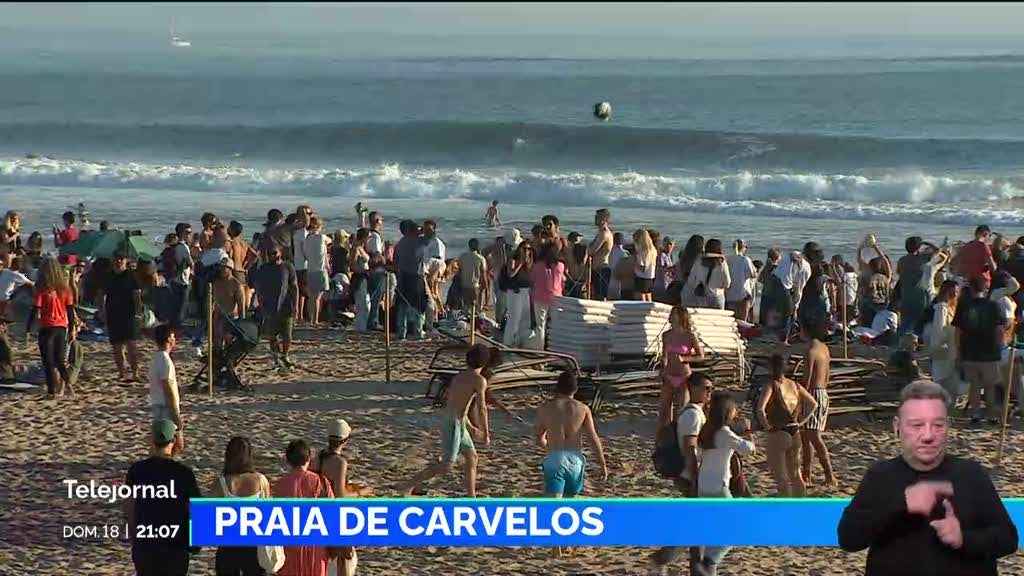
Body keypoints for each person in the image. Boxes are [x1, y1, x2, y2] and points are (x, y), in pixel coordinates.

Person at [837, 380, 1017, 575]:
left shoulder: (971, 474)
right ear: (897, 427)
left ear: (948, 426)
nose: (928, 435)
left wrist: (964, 539)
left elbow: (1008, 539)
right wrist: (900, 505)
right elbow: (849, 539)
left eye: (937, 425)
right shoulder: (880, 476)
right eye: (916, 425)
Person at [402, 344, 492, 497]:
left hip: (456, 421)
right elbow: (481, 408)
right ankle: (407, 485)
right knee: (446, 465)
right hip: (454, 424)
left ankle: (472, 496)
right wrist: (486, 432)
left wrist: (469, 427)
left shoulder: (459, 376)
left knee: (472, 457)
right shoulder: (479, 380)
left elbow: (457, 404)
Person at [535, 371, 608, 557]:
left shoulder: (546, 408)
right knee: (570, 503)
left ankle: (555, 547)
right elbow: (593, 438)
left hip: (555, 458)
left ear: (557, 387)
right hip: (575, 459)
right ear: (575, 389)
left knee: (554, 503)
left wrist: (546, 443)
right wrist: (602, 463)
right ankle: (566, 541)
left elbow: (539, 436)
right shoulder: (583, 409)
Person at [648, 373, 713, 575]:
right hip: (690, 474)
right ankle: (664, 557)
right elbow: (689, 446)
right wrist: (695, 473)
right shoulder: (693, 414)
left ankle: (692, 564)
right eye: (706, 388)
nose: (710, 392)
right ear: (692, 388)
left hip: (691, 474)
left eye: (711, 388)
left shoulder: (695, 412)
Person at [124, 419, 202, 576]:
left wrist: (135, 540)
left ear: (151, 440)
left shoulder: (137, 470)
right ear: (173, 441)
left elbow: (130, 509)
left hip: (146, 544)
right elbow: (195, 510)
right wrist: (194, 544)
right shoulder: (184, 474)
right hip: (175, 546)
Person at [695, 391, 756, 574]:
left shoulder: (708, 429)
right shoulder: (723, 432)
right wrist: (747, 430)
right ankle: (710, 560)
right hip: (719, 486)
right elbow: (748, 449)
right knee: (737, 528)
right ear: (727, 411)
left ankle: (709, 563)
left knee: (716, 530)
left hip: (704, 485)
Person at [756, 353, 818, 497]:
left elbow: (760, 409)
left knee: (781, 477)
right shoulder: (795, 385)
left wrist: (766, 426)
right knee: (796, 474)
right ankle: (800, 505)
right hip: (794, 430)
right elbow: (813, 404)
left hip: (779, 430)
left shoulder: (772, 385)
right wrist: (802, 421)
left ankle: (786, 506)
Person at [272, 439, 336, 576]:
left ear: (288, 460)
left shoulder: (279, 486)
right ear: (308, 459)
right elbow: (332, 514)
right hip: (316, 547)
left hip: (288, 546)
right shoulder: (321, 482)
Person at [211, 436, 270, 576]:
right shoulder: (261, 481)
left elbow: (211, 518)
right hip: (254, 546)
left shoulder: (222, 483)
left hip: (228, 546)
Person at [954, 275, 1005, 424]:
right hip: (990, 351)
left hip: (969, 350)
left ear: (970, 288)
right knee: (990, 385)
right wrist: (1000, 347)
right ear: (986, 288)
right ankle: (991, 415)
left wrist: (958, 352)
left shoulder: (964, 306)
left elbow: (958, 332)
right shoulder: (993, 305)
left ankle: (975, 414)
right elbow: (999, 330)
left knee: (974, 385)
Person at [800, 320, 837, 488]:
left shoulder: (810, 351)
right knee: (806, 436)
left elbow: (806, 381)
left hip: (812, 393)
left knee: (813, 436)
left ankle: (829, 473)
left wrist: (799, 398)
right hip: (823, 392)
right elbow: (827, 375)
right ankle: (806, 474)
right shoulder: (824, 349)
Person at [34, 257, 76, 399]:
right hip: (61, 327)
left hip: (46, 327)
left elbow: (36, 309)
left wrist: (28, 328)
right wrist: (72, 329)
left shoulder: (41, 289)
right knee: (59, 360)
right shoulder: (65, 290)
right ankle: (69, 386)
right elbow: (70, 311)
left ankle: (51, 391)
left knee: (48, 361)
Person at [100, 251, 143, 382]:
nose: (119, 262)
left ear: (126, 260)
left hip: (129, 314)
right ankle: (122, 373)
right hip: (113, 313)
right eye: (116, 259)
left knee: (131, 345)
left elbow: (137, 296)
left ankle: (135, 373)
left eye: (121, 259)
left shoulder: (131, 276)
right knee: (117, 347)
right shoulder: (108, 276)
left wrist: (138, 313)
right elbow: (102, 295)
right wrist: (102, 312)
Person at [658, 306, 704, 428]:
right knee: (664, 410)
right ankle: (666, 436)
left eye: (674, 314)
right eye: (671, 314)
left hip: (684, 376)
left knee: (681, 410)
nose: (671, 316)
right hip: (669, 375)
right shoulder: (666, 335)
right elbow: (664, 354)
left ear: (681, 316)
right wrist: (662, 366)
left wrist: (685, 358)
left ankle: (679, 434)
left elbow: (701, 356)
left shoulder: (689, 336)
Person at [253, 245, 299, 368]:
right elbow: (257, 286)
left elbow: (294, 287)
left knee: (287, 334)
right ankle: (276, 357)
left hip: (286, 304)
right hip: (269, 305)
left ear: (280, 253)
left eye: (274, 253)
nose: (271, 256)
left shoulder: (287, 266)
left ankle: (285, 355)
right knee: (272, 335)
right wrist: (260, 301)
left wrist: (296, 305)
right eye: (269, 253)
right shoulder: (263, 268)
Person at [924, 281, 961, 403]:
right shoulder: (942, 308)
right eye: (953, 293)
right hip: (942, 351)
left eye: (956, 292)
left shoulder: (953, 308)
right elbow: (938, 331)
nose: (955, 295)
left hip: (951, 351)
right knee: (941, 383)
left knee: (951, 385)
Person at [393, 220, 428, 340]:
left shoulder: (399, 244)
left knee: (402, 305)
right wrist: (421, 229)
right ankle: (418, 331)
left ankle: (401, 332)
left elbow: (395, 262)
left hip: (403, 276)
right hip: (416, 276)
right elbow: (430, 234)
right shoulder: (419, 242)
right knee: (419, 304)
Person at [530, 243, 566, 350]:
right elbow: (563, 282)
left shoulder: (537, 265)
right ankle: (555, 348)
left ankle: (539, 350)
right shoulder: (560, 265)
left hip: (540, 297)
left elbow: (532, 280)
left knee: (540, 326)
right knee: (555, 325)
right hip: (556, 297)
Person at [502, 240, 535, 347]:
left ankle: (520, 342)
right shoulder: (514, 260)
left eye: (529, 249)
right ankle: (508, 342)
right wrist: (520, 263)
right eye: (524, 248)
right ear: (519, 249)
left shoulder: (530, 262)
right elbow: (510, 274)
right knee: (514, 318)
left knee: (525, 319)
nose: (526, 251)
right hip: (515, 292)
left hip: (526, 291)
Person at [685, 239, 730, 309]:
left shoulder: (699, 261)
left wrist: (697, 285)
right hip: (717, 295)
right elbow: (728, 283)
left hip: (702, 296)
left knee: (704, 318)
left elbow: (691, 281)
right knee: (719, 318)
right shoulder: (722, 263)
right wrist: (720, 285)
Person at [165, 224, 194, 329]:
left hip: (173, 279)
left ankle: (172, 327)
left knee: (175, 307)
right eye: (188, 232)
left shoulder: (175, 246)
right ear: (182, 233)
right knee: (181, 308)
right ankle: (175, 329)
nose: (190, 235)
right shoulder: (183, 247)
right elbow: (191, 263)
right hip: (181, 281)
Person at [303, 216, 330, 327]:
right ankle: (315, 320)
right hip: (320, 269)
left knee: (311, 297)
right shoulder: (321, 237)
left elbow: (305, 253)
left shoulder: (307, 239)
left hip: (310, 269)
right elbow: (329, 240)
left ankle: (310, 319)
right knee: (318, 297)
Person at [227, 220, 258, 312]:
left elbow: (230, 256)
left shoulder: (231, 243)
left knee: (233, 297)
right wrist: (247, 266)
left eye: (229, 227)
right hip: (242, 272)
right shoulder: (243, 243)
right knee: (242, 297)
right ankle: (242, 315)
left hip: (234, 271)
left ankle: (235, 316)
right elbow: (255, 255)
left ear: (232, 230)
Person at [725, 239, 757, 322]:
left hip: (729, 295)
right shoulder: (745, 259)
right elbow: (753, 275)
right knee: (742, 321)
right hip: (742, 295)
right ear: (743, 248)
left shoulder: (727, 259)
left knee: (732, 321)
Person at [365, 211, 387, 331]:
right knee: (376, 297)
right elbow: (376, 254)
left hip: (371, 270)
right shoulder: (375, 236)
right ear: (377, 221)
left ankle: (373, 320)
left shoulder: (369, 234)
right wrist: (385, 262)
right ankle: (373, 321)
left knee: (374, 296)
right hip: (376, 270)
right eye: (381, 220)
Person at [291, 206, 312, 322]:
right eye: (309, 214)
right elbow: (305, 251)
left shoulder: (294, 231)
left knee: (300, 291)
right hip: (304, 264)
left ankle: (299, 315)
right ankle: (302, 315)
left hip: (297, 263)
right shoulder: (302, 232)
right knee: (305, 291)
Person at [349, 229, 372, 332]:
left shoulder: (363, 248)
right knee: (361, 302)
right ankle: (360, 327)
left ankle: (363, 325)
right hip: (359, 276)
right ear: (364, 237)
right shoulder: (356, 249)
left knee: (366, 302)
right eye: (368, 237)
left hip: (365, 276)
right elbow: (352, 265)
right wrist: (363, 270)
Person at [587, 209, 613, 300]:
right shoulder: (600, 233)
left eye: (597, 217)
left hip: (601, 269)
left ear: (604, 219)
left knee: (601, 296)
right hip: (597, 269)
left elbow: (592, 251)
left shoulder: (604, 234)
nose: (595, 218)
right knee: (596, 295)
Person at [457, 238, 488, 313]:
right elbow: (483, 275)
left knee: (465, 308)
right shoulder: (480, 259)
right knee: (475, 309)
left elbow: (459, 271)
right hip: (475, 285)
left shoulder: (462, 256)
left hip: (464, 285)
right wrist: (486, 288)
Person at [632, 229, 657, 302]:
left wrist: (635, 261)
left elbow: (643, 268)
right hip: (650, 277)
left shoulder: (643, 252)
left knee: (641, 300)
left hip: (642, 277)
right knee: (649, 297)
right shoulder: (653, 250)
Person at [654, 236, 677, 303]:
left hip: (667, 283)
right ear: (664, 245)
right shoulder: (662, 255)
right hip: (662, 283)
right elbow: (662, 268)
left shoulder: (669, 256)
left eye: (671, 244)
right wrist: (673, 268)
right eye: (667, 244)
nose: (669, 246)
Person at [606, 232, 627, 300]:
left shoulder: (610, 251)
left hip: (611, 274)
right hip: (620, 276)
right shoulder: (625, 253)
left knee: (611, 294)